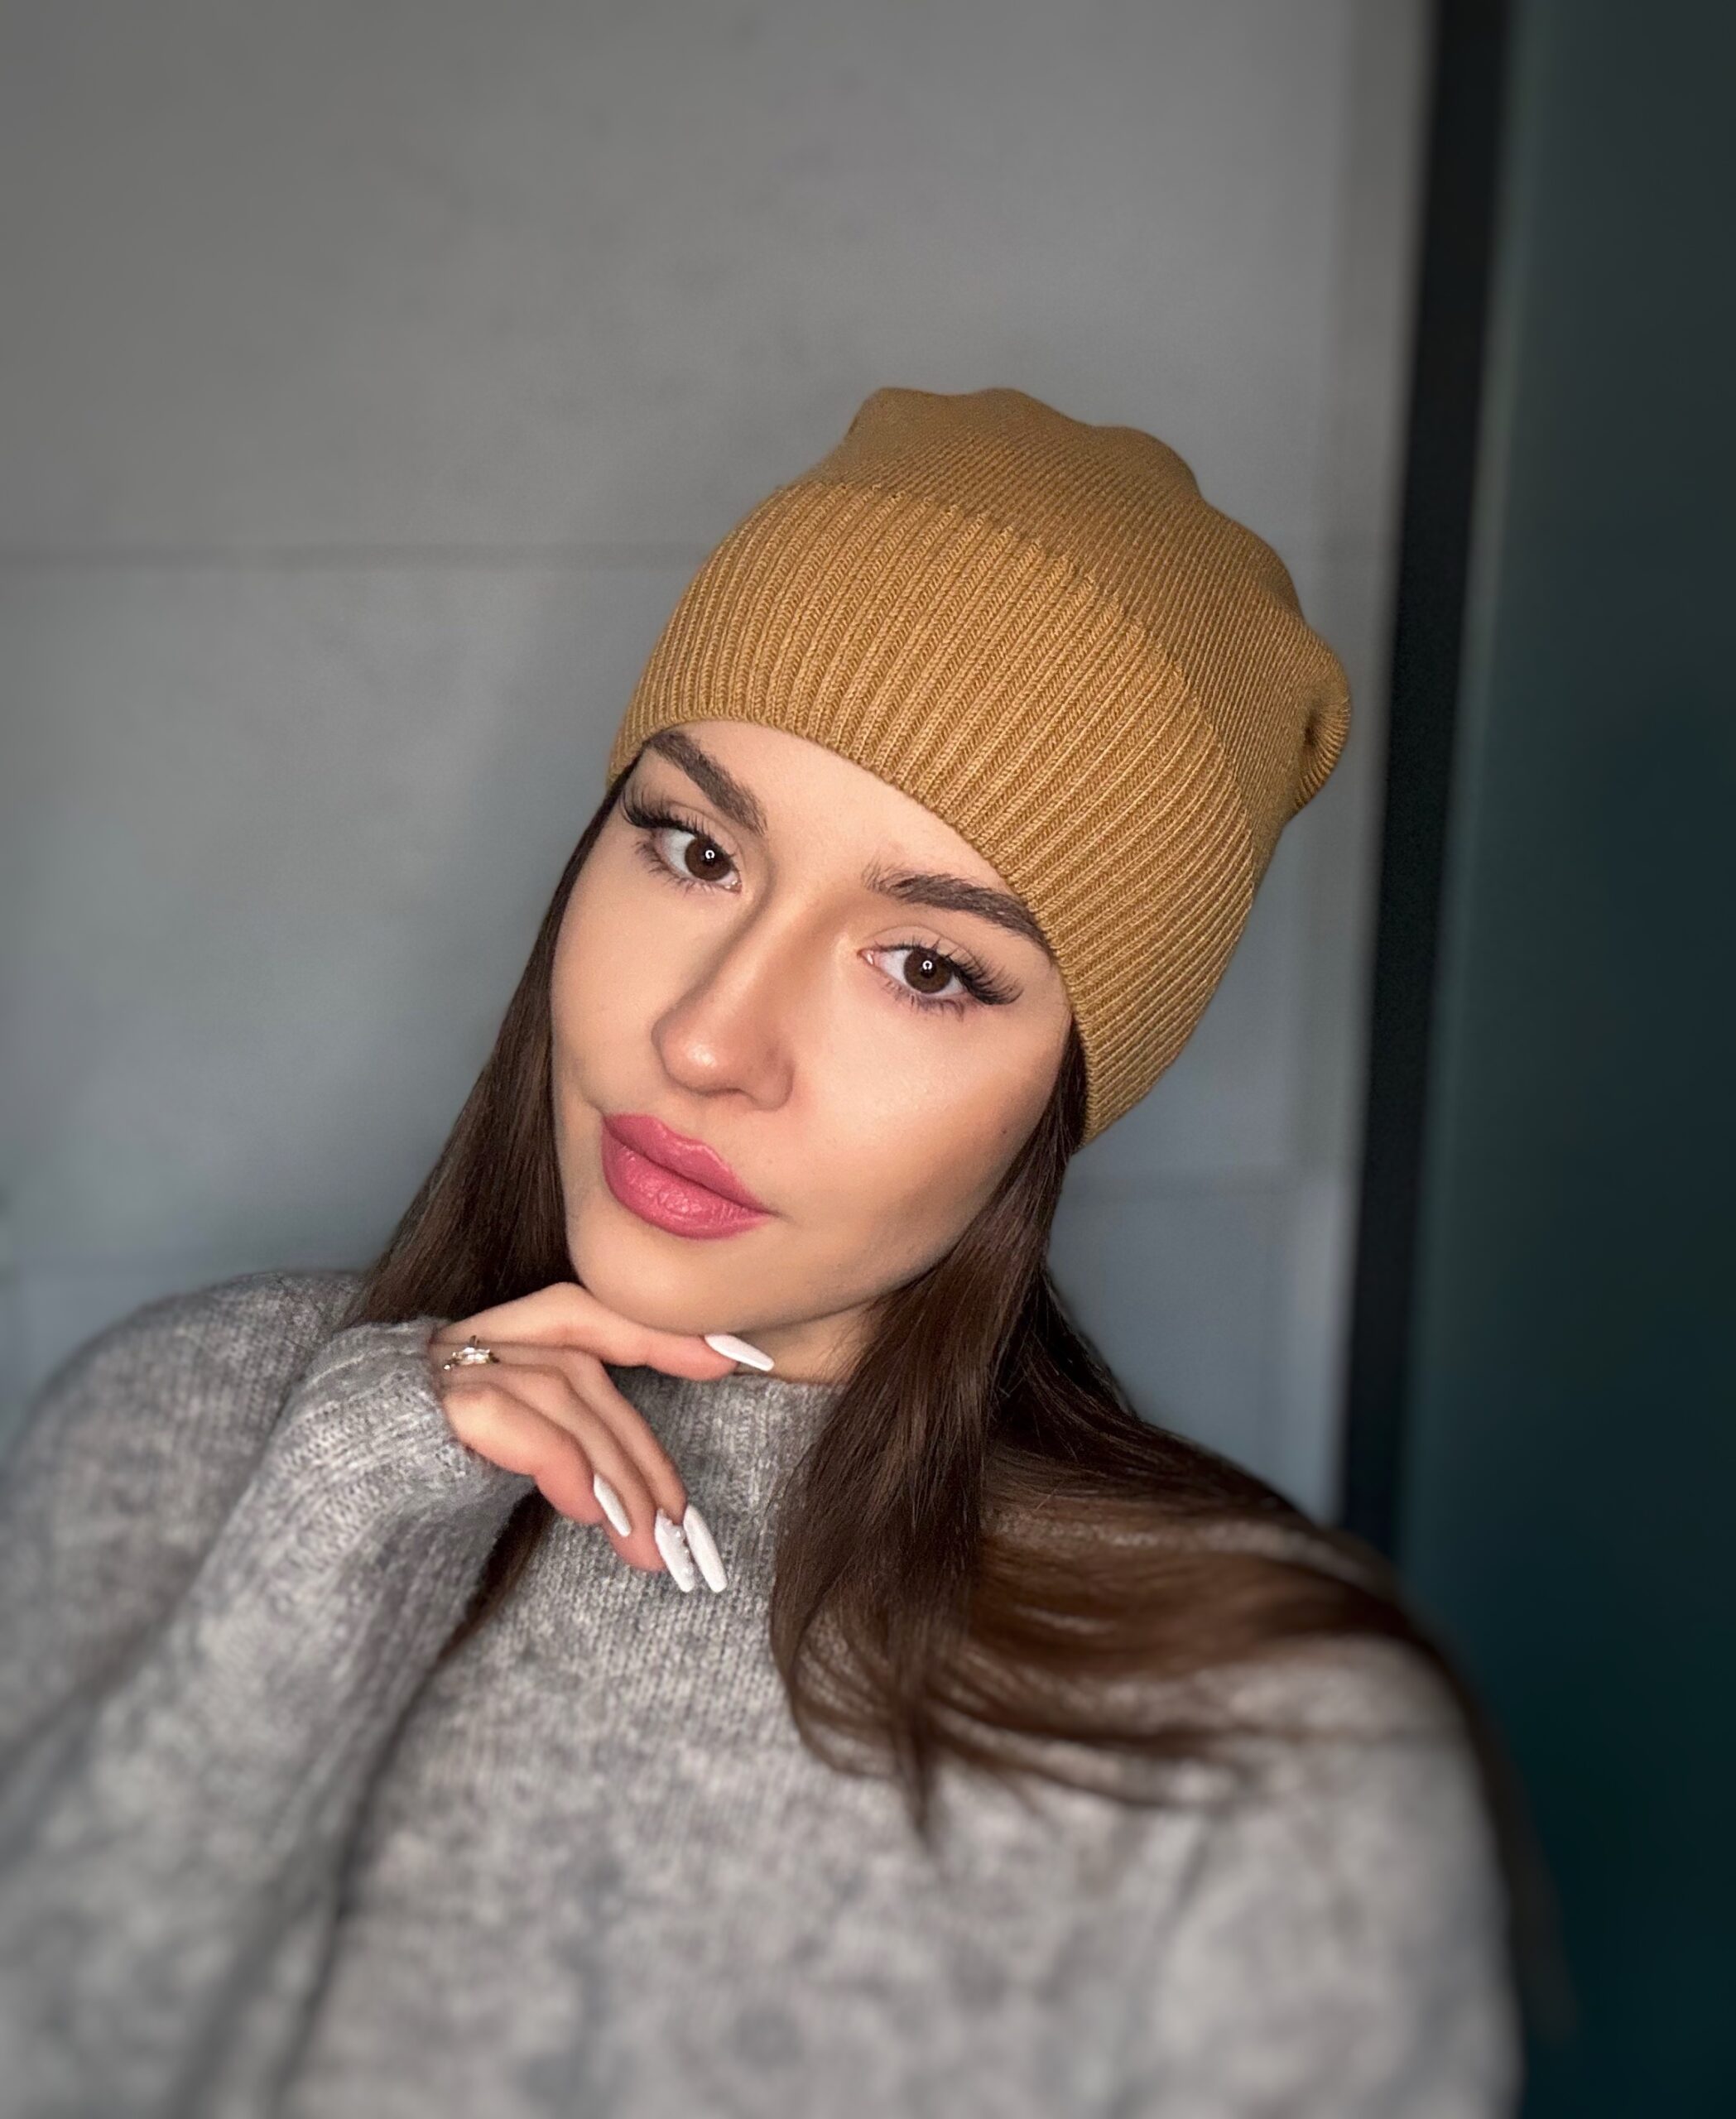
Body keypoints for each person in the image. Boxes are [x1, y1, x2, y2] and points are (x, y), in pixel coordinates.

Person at [0, 386, 1523, 2117]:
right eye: (696, 847)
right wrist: (340, 1519)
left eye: (926, 967)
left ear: (1064, 1090)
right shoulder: (188, 1426)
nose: (711, 1036)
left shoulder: (1270, 1752)